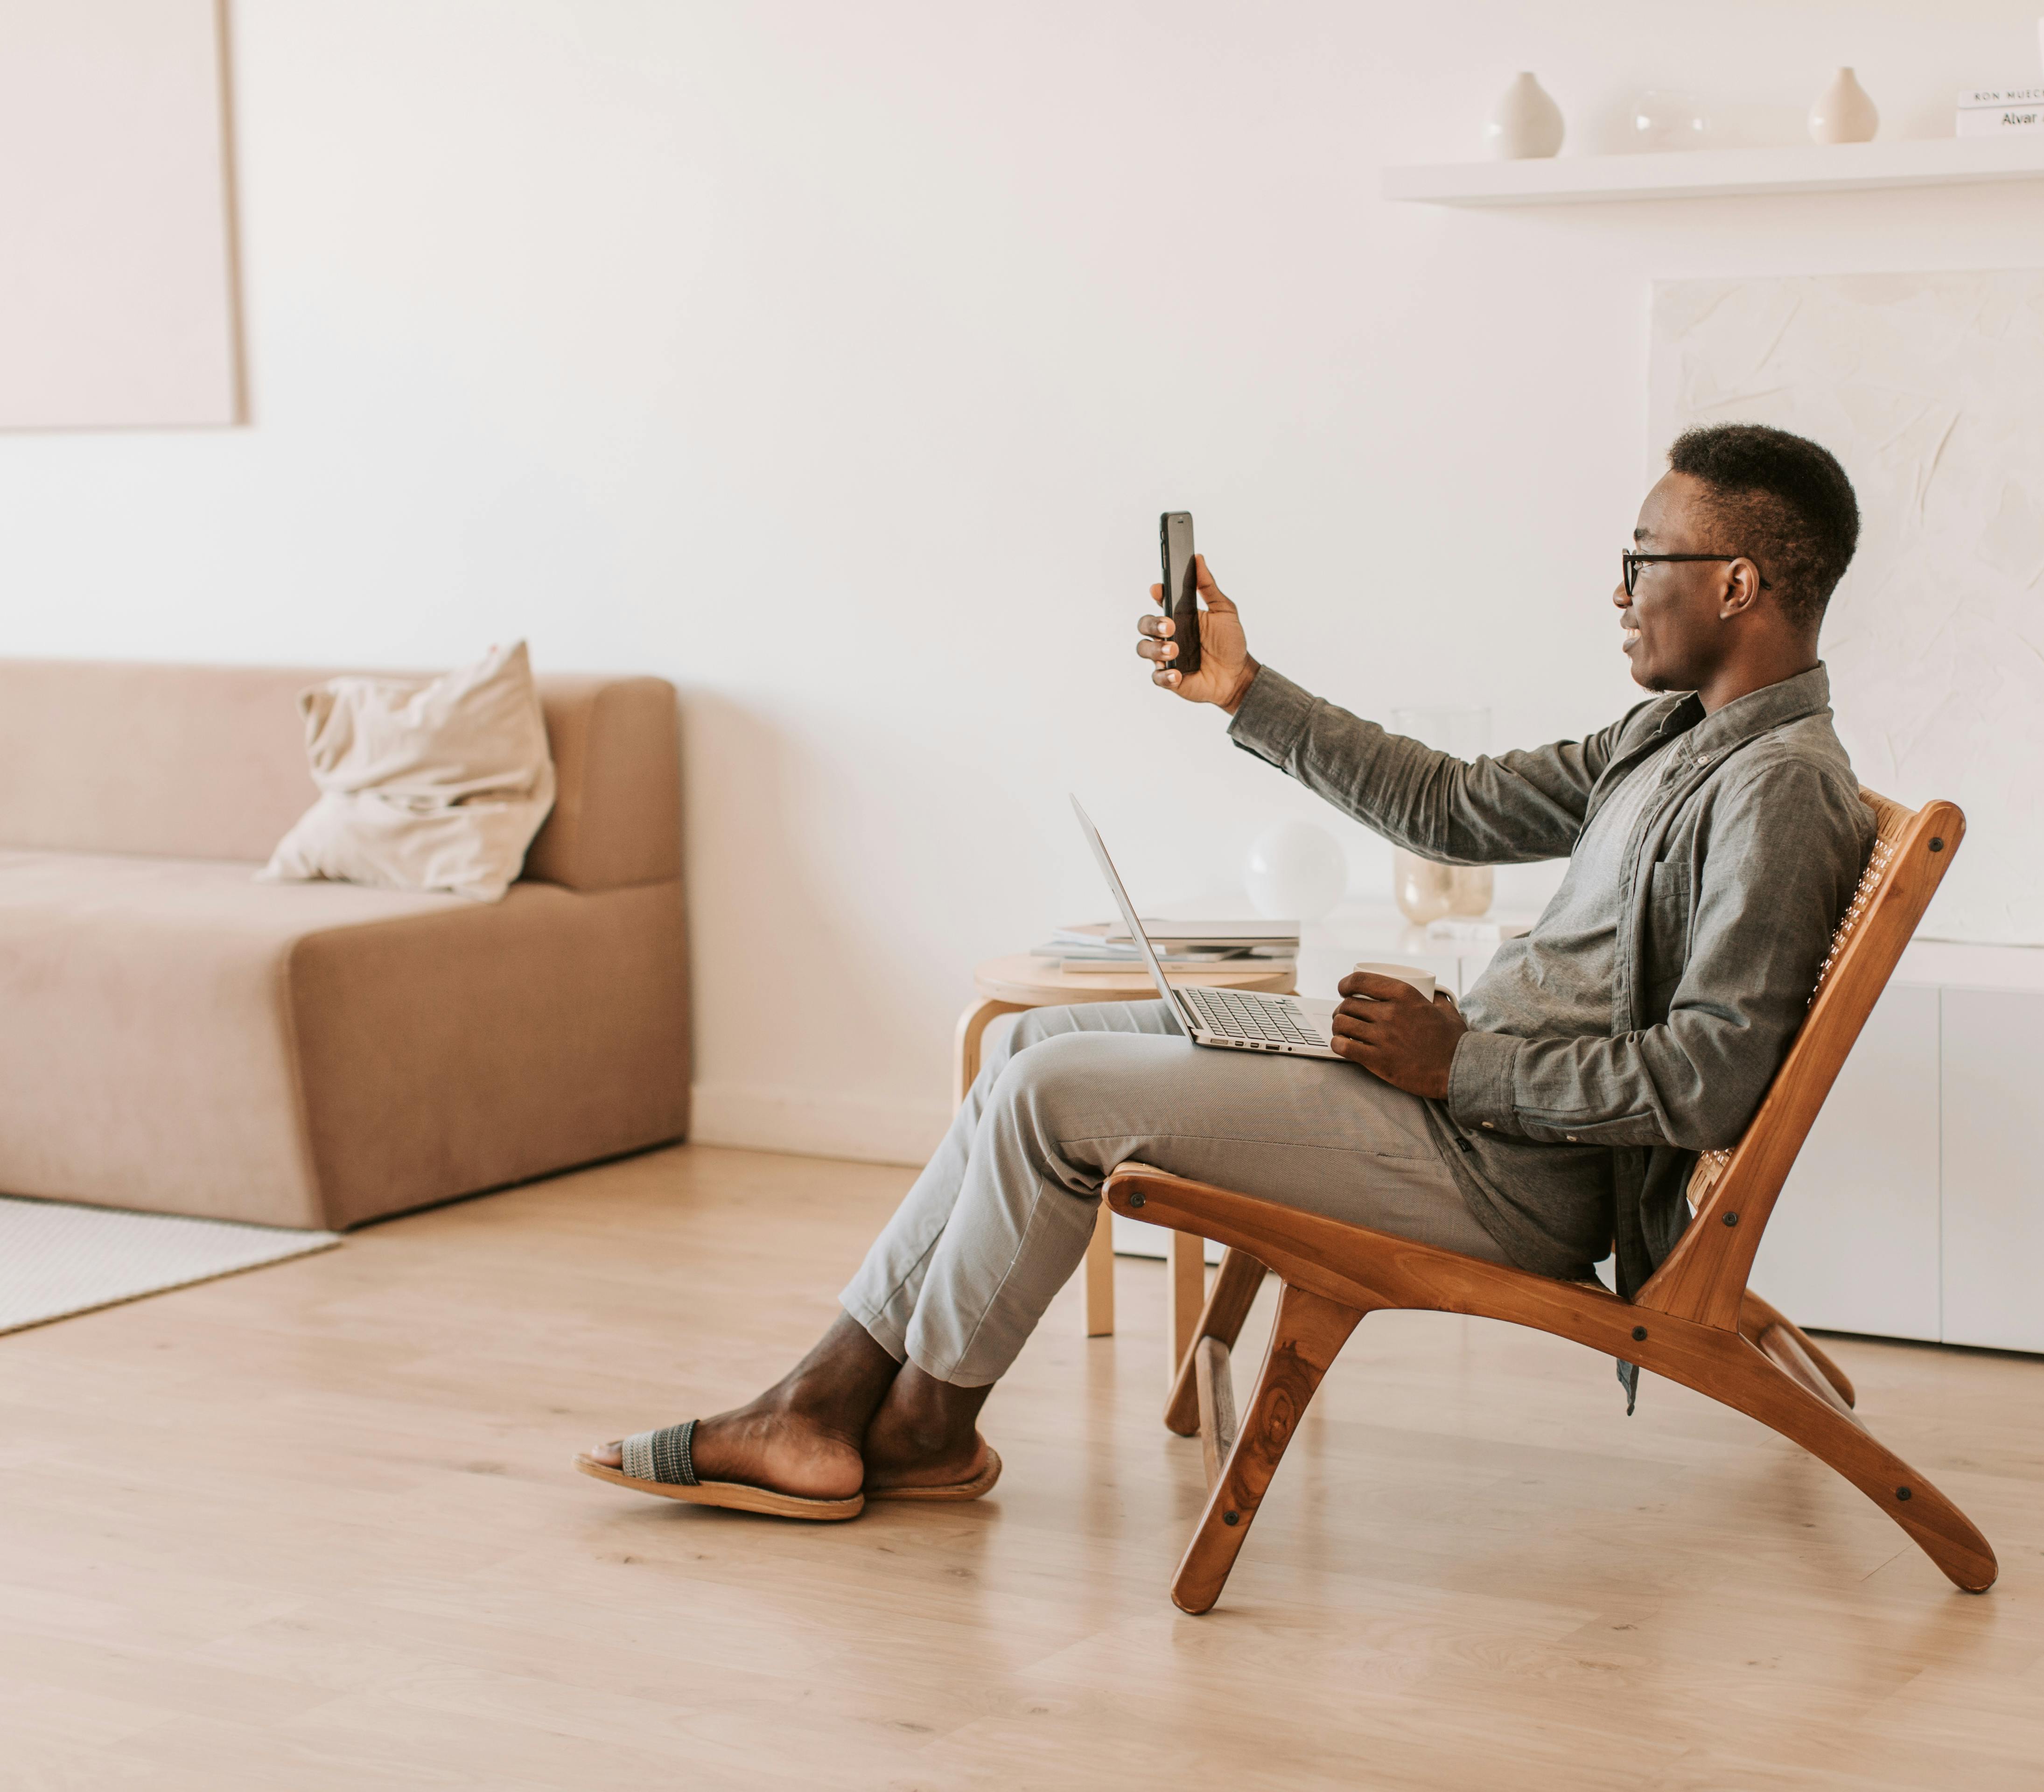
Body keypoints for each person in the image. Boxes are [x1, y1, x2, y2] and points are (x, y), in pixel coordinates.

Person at [579, 422, 1876, 1517]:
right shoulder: (1671, 736)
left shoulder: (1777, 793)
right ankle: (829, 1405)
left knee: (1051, 1102)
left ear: (1737, 585)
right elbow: (1455, 806)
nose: (1617, 589)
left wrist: (1460, 1061)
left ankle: (912, 1425)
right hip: (1444, 1096)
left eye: (1641, 560)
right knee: (1028, 1047)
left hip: (1505, 1168)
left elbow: (1708, 1081)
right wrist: (1243, 690)